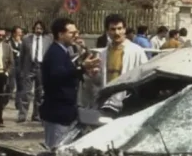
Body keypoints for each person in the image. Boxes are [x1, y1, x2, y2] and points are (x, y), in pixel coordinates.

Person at [40, 18, 100, 147]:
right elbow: (58, 76)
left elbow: (68, 73)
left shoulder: (64, 51)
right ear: (61, 34)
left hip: (66, 112)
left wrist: (83, 71)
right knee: (55, 150)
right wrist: (82, 67)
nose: (76, 36)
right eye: (72, 33)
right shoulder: (55, 53)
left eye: (77, 32)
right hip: (57, 112)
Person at [89, 14, 148, 111]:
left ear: (125, 29)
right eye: (112, 29)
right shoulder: (103, 53)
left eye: (120, 28)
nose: (117, 32)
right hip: (106, 103)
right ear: (107, 31)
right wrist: (93, 75)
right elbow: (99, 81)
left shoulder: (136, 51)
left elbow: (145, 76)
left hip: (127, 103)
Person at [17, 21, 50, 122]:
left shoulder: (47, 40)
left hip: (41, 67)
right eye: (37, 28)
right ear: (34, 28)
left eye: (40, 28)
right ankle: (22, 115)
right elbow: (21, 56)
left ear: (43, 29)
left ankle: (37, 115)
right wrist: (21, 70)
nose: (38, 30)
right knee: (26, 93)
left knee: (40, 93)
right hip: (29, 67)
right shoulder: (27, 39)